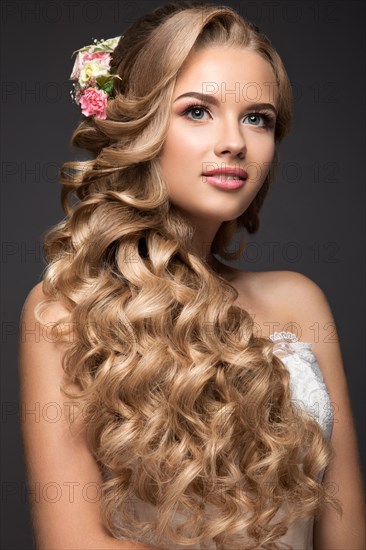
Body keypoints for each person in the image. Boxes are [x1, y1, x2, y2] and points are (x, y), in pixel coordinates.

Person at [19, 2, 365, 549]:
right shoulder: (63, 309)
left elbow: (344, 531)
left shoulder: (302, 303)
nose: (235, 142)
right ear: (141, 125)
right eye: (198, 111)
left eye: (258, 118)